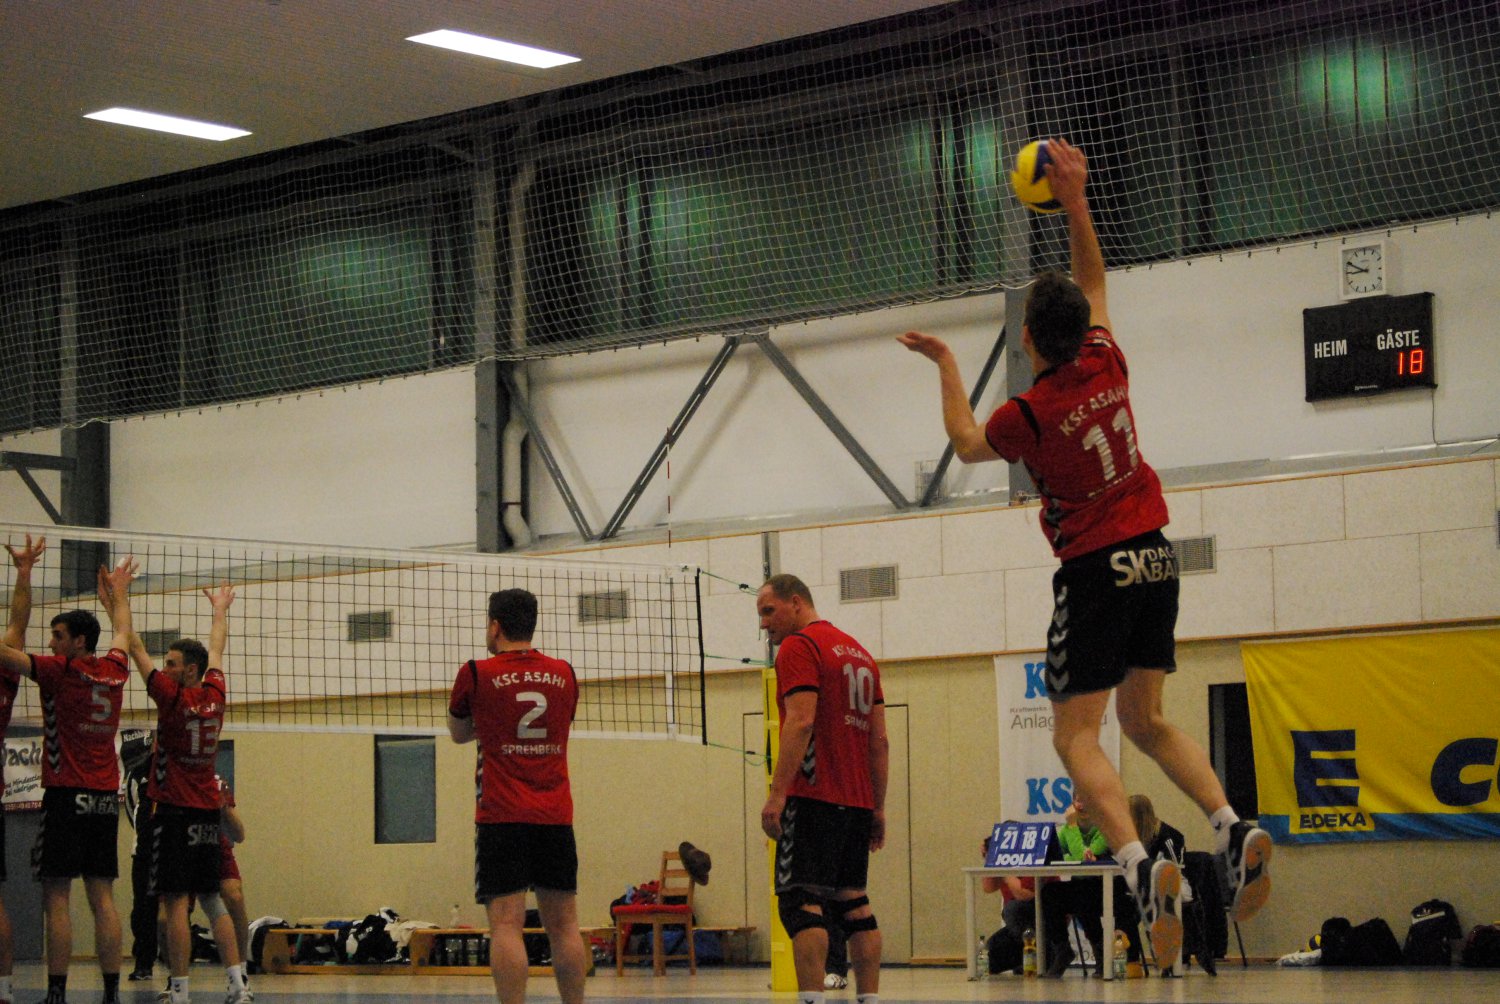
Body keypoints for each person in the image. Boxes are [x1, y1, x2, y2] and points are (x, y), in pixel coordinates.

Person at [899, 136, 1272, 970]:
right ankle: (1229, 825)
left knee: (1077, 737)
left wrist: (948, 362)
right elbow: (1095, 283)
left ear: (1028, 338)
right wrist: (1075, 201)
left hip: (1096, 568)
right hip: (1157, 556)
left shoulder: (1027, 415)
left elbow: (964, 441)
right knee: (1148, 720)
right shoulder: (1107, 360)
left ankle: (1139, 869)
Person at [97, 572, 253, 1004]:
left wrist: (119, 599)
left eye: (171, 663)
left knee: (174, 904)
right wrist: (219, 610)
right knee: (213, 900)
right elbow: (217, 646)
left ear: (189, 670)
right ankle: (238, 985)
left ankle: (180, 990)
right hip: (206, 813)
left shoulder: (171, 697)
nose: (164, 668)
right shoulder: (216, 692)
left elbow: (133, 646)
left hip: (173, 811)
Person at [0, 536, 130, 1004]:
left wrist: (24, 574)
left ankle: (56, 992)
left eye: (57, 636)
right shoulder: (115, 669)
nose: (51, 643)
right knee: (103, 898)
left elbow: (8, 650)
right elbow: (122, 632)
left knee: (56, 897)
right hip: (104, 797)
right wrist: (119, 595)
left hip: (65, 795)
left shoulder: (59, 671)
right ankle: (111, 992)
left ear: (78, 642)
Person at [447, 588, 586, 1004]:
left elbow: (458, 733)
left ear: (495, 626)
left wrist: (492, 725)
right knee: (565, 927)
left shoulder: (476, 672)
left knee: (506, 926)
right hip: (555, 816)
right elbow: (561, 725)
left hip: (501, 816)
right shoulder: (564, 673)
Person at [757, 573, 888, 1004]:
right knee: (854, 904)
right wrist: (878, 808)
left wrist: (778, 794)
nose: (763, 623)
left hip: (813, 795)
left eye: (769, 611)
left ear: (796, 602)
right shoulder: (862, 655)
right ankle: (869, 999)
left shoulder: (800, 647)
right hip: (857, 801)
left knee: (800, 901)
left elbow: (801, 721)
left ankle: (811, 999)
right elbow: (879, 741)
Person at [0, 537, 42, 1004]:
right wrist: (24, 572)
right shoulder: (7, 668)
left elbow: (16, 624)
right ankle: (5, 990)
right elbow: (18, 622)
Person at [121, 728, 158, 982]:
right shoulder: (137, 773)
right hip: (143, 851)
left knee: (171, 909)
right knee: (141, 910)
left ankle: (176, 968)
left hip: (170, 848)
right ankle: (143, 962)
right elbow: (131, 810)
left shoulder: (175, 769)